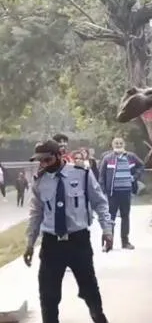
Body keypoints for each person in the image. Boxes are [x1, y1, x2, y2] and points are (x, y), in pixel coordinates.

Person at [23, 140, 113, 323]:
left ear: (59, 156)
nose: (43, 165)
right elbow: (35, 214)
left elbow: (100, 202)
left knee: (90, 291)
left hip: (78, 242)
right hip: (51, 244)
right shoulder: (39, 182)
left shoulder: (82, 174)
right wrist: (30, 243)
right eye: (40, 161)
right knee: (48, 296)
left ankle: (99, 317)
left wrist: (107, 229)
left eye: (47, 160)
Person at [99, 137, 144, 250]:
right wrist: (102, 190)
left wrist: (135, 177)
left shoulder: (131, 157)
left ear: (124, 144)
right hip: (112, 193)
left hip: (126, 191)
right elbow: (101, 175)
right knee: (110, 217)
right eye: (116, 143)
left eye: (120, 143)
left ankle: (125, 242)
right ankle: (108, 243)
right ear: (112, 145)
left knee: (125, 216)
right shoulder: (107, 158)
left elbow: (141, 166)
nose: (118, 145)